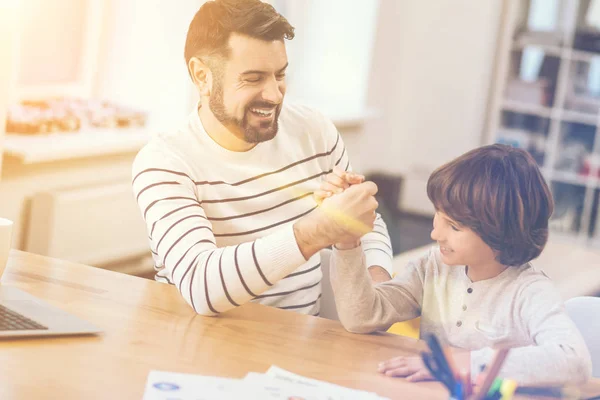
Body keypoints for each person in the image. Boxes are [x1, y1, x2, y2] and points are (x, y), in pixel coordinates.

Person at [131, 0, 393, 317]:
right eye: (253, 78)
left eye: (279, 74)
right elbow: (202, 286)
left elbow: (364, 218)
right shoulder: (165, 161)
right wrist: (317, 230)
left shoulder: (312, 129)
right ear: (202, 76)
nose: (274, 94)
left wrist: (378, 285)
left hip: (300, 344)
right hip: (203, 345)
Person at [321, 144, 592, 385]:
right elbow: (363, 317)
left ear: (500, 233)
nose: (435, 234)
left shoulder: (529, 291)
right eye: (438, 216)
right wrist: (348, 242)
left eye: (454, 226)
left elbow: (574, 361)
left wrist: (462, 363)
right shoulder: (434, 267)